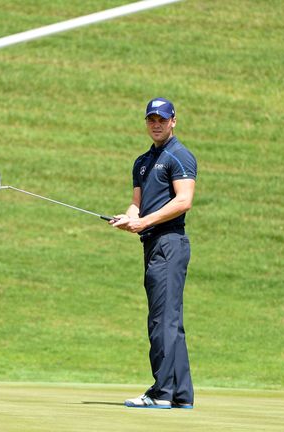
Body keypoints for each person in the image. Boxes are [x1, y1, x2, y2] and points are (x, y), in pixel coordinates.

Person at [111, 97, 196, 409]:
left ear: (173, 120)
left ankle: (161, 393)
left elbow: (183, 200)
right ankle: (180, 395)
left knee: (161, 321)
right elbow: (137, 203)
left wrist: (144, 221)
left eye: (162, 119)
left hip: (170, 243)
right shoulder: (142, 161)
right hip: (152, 244)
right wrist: (129, 218)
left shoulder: (180, 155)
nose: (156, 124)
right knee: (170, 320)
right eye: (151, 119)